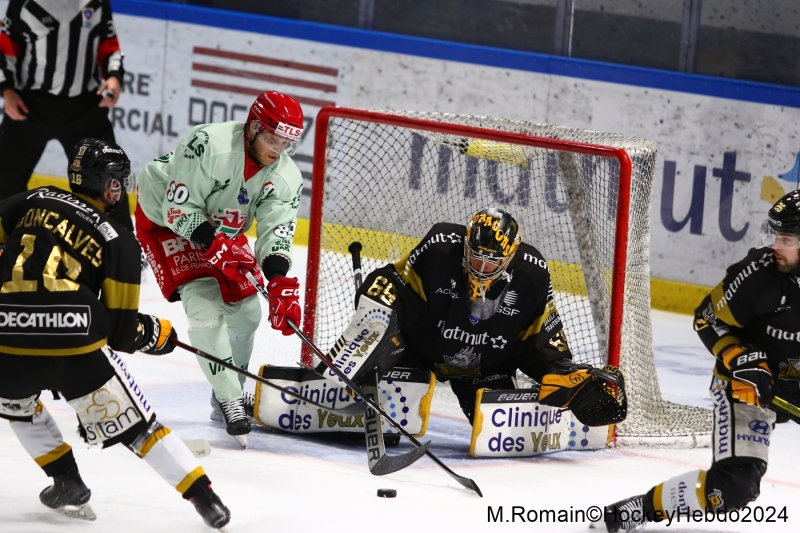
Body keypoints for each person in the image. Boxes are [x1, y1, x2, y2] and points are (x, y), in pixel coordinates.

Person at [0, 139, 230, 528]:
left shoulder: (31, 199)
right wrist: (154, 332)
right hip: (76, 348)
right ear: (109, 186)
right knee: (142, 431)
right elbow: (121, 333)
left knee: (19, 409)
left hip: (7, 342)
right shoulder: (117, 238)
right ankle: (206, 499)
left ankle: (67, 482)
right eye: (120, 182)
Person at [599, 190, 800, 532]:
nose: (775, 246)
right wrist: (735, 355)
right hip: (747, 384)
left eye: (786, 238)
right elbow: (707, 318)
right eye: (775, 235)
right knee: (732, 489)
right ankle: (638, 509)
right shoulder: (758, 276)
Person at [322, 207, 627, 427]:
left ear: (510, 257)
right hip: (417, 355)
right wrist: (377, 299)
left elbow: (539, 336)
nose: (481, 266)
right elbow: (398, 283)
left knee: (498, 426)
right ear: (466, 244)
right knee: (378, 331)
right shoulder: (441, 246)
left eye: (492, 260)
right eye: (476, 255)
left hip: (485, 370)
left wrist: (562, 371)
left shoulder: (532, 275)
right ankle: (335, 385)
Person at [135, 90, 305, 447]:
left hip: (222, 230)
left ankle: (225, 392)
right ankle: (230, 399)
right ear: (254, 127)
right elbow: (178, 210)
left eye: (288, 143)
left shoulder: (286, 176)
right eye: (274, 138)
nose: (279, 149)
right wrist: (213, 244)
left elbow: (276, 234)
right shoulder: (208, 145)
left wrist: (278, 281)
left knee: (247, 314)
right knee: (204, 304)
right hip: (166, 219)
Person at [0, 0, 133, 232]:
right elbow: (4, 51)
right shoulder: (23, 3)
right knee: (4, 178)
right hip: (28, 106)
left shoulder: (96, 3)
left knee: (110, 176)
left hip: (84, 108)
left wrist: (114, 76)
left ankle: (123, 246)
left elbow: (108, 45)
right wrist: (7, 91)